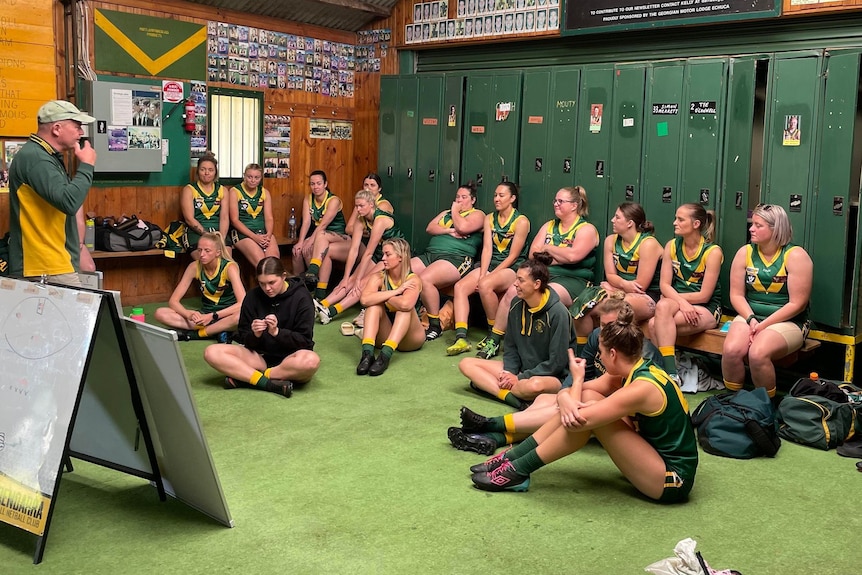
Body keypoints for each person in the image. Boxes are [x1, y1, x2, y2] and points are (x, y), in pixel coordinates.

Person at [469, 308, 697, 501]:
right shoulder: (631, 369)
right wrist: (566, 396)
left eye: (601, 354)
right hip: (650, 458)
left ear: (614, 354)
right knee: (587, 403)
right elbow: (569, 395)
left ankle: (518, 468)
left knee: (584, 415)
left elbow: (579, 420)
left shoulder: (642, 387)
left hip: (672, 480)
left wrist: (576, 383)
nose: (600, 358)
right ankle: (512, 460)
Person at [449, 295, 664, 455]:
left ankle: (492, 424)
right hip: (595, 399)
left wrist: (572, 397)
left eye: (611, 326)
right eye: (602, 324)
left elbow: (628, 402)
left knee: (568, 408)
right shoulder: (598, 337)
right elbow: (581, 373)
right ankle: (494, 438)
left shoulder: (641, 354)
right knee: (548, 400)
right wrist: (565, 394)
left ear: (626, 326)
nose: (604, 331)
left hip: (624, 418)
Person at [478, 186, 599, 360]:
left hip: (573, 280)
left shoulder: (586, 229)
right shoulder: (549, 225)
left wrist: (548, 248)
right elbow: (533, 254)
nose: (556, 204)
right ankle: (495, 339)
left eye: (561, 201)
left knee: (545, 295)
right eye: (555, 201)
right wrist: (558, 255)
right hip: (546, 275)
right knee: (514, 290)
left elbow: (573, 257)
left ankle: (537, 349)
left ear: (574, 205)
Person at [456, 254, 574, 411]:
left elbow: (557, 363)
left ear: (537, 284)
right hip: (520, 371)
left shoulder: (558, 313)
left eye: (521, 280)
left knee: (534, 386)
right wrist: (509, 373)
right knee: (466, 364)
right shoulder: (516, 304)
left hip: (551, 376)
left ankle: (488, 386)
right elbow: (510, 346)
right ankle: (514, 400)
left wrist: (518, 378)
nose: (515, 285)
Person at [722, 204, 812, 398]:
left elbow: (798, 304)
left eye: (758, 225)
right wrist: (752, 320)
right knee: (731, 350)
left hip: (788, 321)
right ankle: (731, 402)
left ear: (776, 228)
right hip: (751, 316)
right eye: (752, 224)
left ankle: (764, 407)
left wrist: (763, 326)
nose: (751, 229)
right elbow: (736, 295)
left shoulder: (795, 255)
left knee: (757, 353)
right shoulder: (744, 252)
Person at [7, 100, 97, 286]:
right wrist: (87, 165)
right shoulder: (36, 158)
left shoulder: (44, 155)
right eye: (77, 126)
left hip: (53, 263)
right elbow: (69, 202)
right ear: (57, 128)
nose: (81, 133)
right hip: (46, 266)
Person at [203, 256, 320, 397]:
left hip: (291, 359)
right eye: (262, 283)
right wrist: (255, 335)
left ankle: (250, 378)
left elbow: (305, 341)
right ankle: (268, 383)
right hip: (260, 357)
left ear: (283, 276)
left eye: (272, 282)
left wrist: (277, 332)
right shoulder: (252, 297)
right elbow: (243, 337)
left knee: (311, 361)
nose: (267, 288)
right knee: (211, 352)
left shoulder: (302, 297)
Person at [446, 182, 530, 357]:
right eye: (495, 195)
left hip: (511, 268)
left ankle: (494, 335)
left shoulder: (521, 221)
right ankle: (461, 336)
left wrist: (488, 277)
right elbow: (487, 249)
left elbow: (513, 256)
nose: (497, 199)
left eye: (501, 195)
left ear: (512, 198)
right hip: (490, 265)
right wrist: (482, 273)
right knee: (460, 287)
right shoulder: (489, 218)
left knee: (485, 285)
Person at [649, 204, 723, 383]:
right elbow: (664, 285)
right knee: (662, 308)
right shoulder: (672, 246)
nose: (675, 223)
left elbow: (704, 295)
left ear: (696, 224)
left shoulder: (712, 252)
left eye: (680, 219)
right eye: (676, 218)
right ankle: (672, 372)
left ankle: (670, 371)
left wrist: (678, 300)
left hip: (706, 307)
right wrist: (682, 303)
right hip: (680, 303)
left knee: (654, 325)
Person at [316, 189, 404, 325]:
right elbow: (354, 250)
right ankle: (322, 305)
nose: (358, 209)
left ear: (371, 204)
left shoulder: (380, 220)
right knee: (349, 280)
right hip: (379, 253)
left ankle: (331, 312)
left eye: (361, 206)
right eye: (356, 206)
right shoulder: (360, 220)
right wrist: (346, 277)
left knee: (361, 283)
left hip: (395, 255)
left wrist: (358, 279)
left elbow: (368, 253)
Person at [412, 182, 485, 341]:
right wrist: (448, 231)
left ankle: (434, 324)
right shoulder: (446, 213)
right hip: (431, 254)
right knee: (403, 271)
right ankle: (403, 318)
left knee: (424, 280)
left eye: (464, 197)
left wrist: (454, 211)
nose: (459, 200)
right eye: (457, 197)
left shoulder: (478, 214)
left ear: (472, 200)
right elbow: (430, 228)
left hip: (456, 258)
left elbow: (464, 228)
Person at [154, 232, 245, 341]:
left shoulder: (229, 267)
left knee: (239, 317)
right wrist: (188, 314)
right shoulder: (194, 267)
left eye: (207, 251)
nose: (202, 254)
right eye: (199, 250)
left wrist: (213, 316)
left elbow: (242, 303)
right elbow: (173, 301)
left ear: (217, 253)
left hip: (227, 315)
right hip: (205, 315)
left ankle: (196, 334)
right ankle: (218, 331)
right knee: (161, 313)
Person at [356, 238, 425, 376]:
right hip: (385, 334)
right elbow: (364, 299)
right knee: (373, 306)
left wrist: (382, 295)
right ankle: (367, 354)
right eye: (383, 254)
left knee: (404, 310)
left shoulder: (412, 279)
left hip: (410, 340)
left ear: (400, 257)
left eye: (388, 254)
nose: (383, 258)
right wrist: (396, 292)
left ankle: (384, 357)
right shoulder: (378, 277)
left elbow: (406, 304)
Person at [601, 202, 663, 322]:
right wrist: (623, 284)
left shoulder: (648, 244)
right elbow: (610, 275)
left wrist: (615, 288)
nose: (612, 220)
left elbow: (640, 286)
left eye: (617, 217)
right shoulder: (610, 240)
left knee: (618, 309)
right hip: (624, 290)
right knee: (589, 303)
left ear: (630, 223)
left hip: (648, 296)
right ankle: (592, 340)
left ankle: (612, 340)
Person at [292, 170, 349, 298]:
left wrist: (309, 241)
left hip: (338, 236)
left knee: (313, 244)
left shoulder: (333, 200)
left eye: (318, 183)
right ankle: (301, 286)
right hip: (320, 236)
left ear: (325, 184)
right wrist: (301, 242)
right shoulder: (308, 199)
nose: (315, 187)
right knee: (298, 250)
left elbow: (323, 225)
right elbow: (306, 222)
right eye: (312, 184)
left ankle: (315, 280)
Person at [228, 163, 279, 269]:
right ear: (244, 176)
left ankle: (273, 285)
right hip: (243, 233)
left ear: (260, 178)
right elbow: (234, 220)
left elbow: (269, 218)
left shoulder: (265, 192)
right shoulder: (235, 191)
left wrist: (268, 235)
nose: (252, 180)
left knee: (274, 264)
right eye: (249, 177)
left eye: (256, 177)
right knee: (262, 264)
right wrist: (255, 237)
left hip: (263, 232)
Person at [181, 154, 230, 261]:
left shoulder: (222, 190)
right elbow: (189, 219)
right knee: (206, 262)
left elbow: (225, 217)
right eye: (203, 169)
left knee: (225, 263)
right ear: (198, 171)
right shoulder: (189, 189)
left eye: (210, 170)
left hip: (219, 233)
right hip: (196, 233)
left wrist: (221, 238)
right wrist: (208, 236)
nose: (206, 173)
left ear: (215, 172)